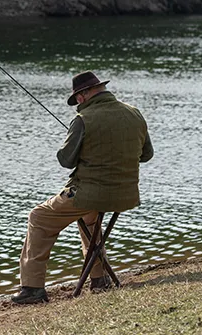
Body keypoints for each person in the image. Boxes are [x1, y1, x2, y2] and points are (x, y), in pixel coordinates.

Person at [12, 71, 153, 304]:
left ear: (84, 94)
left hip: (88, 194)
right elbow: (146, 155)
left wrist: (71, 143)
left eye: (78, 97)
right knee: (90, 218)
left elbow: (66, 160)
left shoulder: (82, 119)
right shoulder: (134, 113)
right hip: (125, 196)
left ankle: (32, 288)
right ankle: (99, 280)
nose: (78, 103)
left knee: (38, 217)